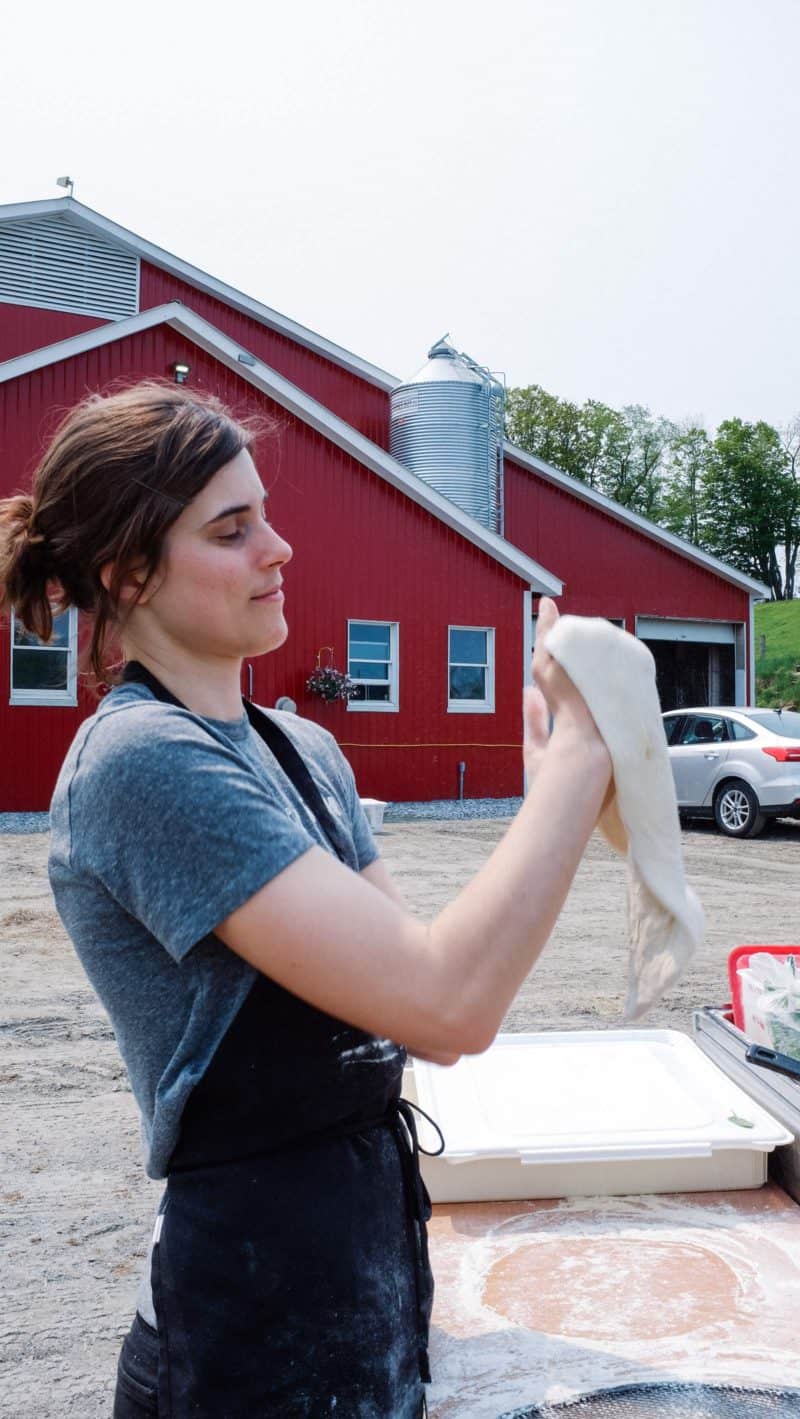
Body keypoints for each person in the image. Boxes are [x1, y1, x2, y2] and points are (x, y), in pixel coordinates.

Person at [0, 383, 611, 1419]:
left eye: (265, 516)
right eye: (231, 530)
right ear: (127, 573)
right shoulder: (142, 766)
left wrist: (556, 773)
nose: (278, 548)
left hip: (362, 1277)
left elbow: (413, 987)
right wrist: (580, 765)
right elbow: (445, 1004)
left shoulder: (304, 749)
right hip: (240, 1339)